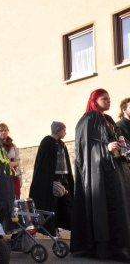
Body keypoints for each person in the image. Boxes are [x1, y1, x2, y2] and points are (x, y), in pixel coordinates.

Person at [71, 89, 130, 261]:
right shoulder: (88, 120)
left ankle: (119, 246)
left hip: (115, 171)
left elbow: (118, 140)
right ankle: (103, 248)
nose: (109, 101)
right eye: (105, 99)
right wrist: (105, 148)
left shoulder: (109, 120)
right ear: (95, 100)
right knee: (102, 208)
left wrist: (122, 147)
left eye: (110, 99)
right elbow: (85, 150)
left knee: (120, 206)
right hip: (98, 174)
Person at [29, 121, 74, 237]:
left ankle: (70, 226)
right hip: (53, 178)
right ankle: (53, 228)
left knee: (67, 204)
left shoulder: (61, 144)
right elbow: (44, 164)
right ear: (58, 130)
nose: (65, 132)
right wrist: (49, 180)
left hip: (64, 178)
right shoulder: (47, 142)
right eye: (64, 130)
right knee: (53, 205)